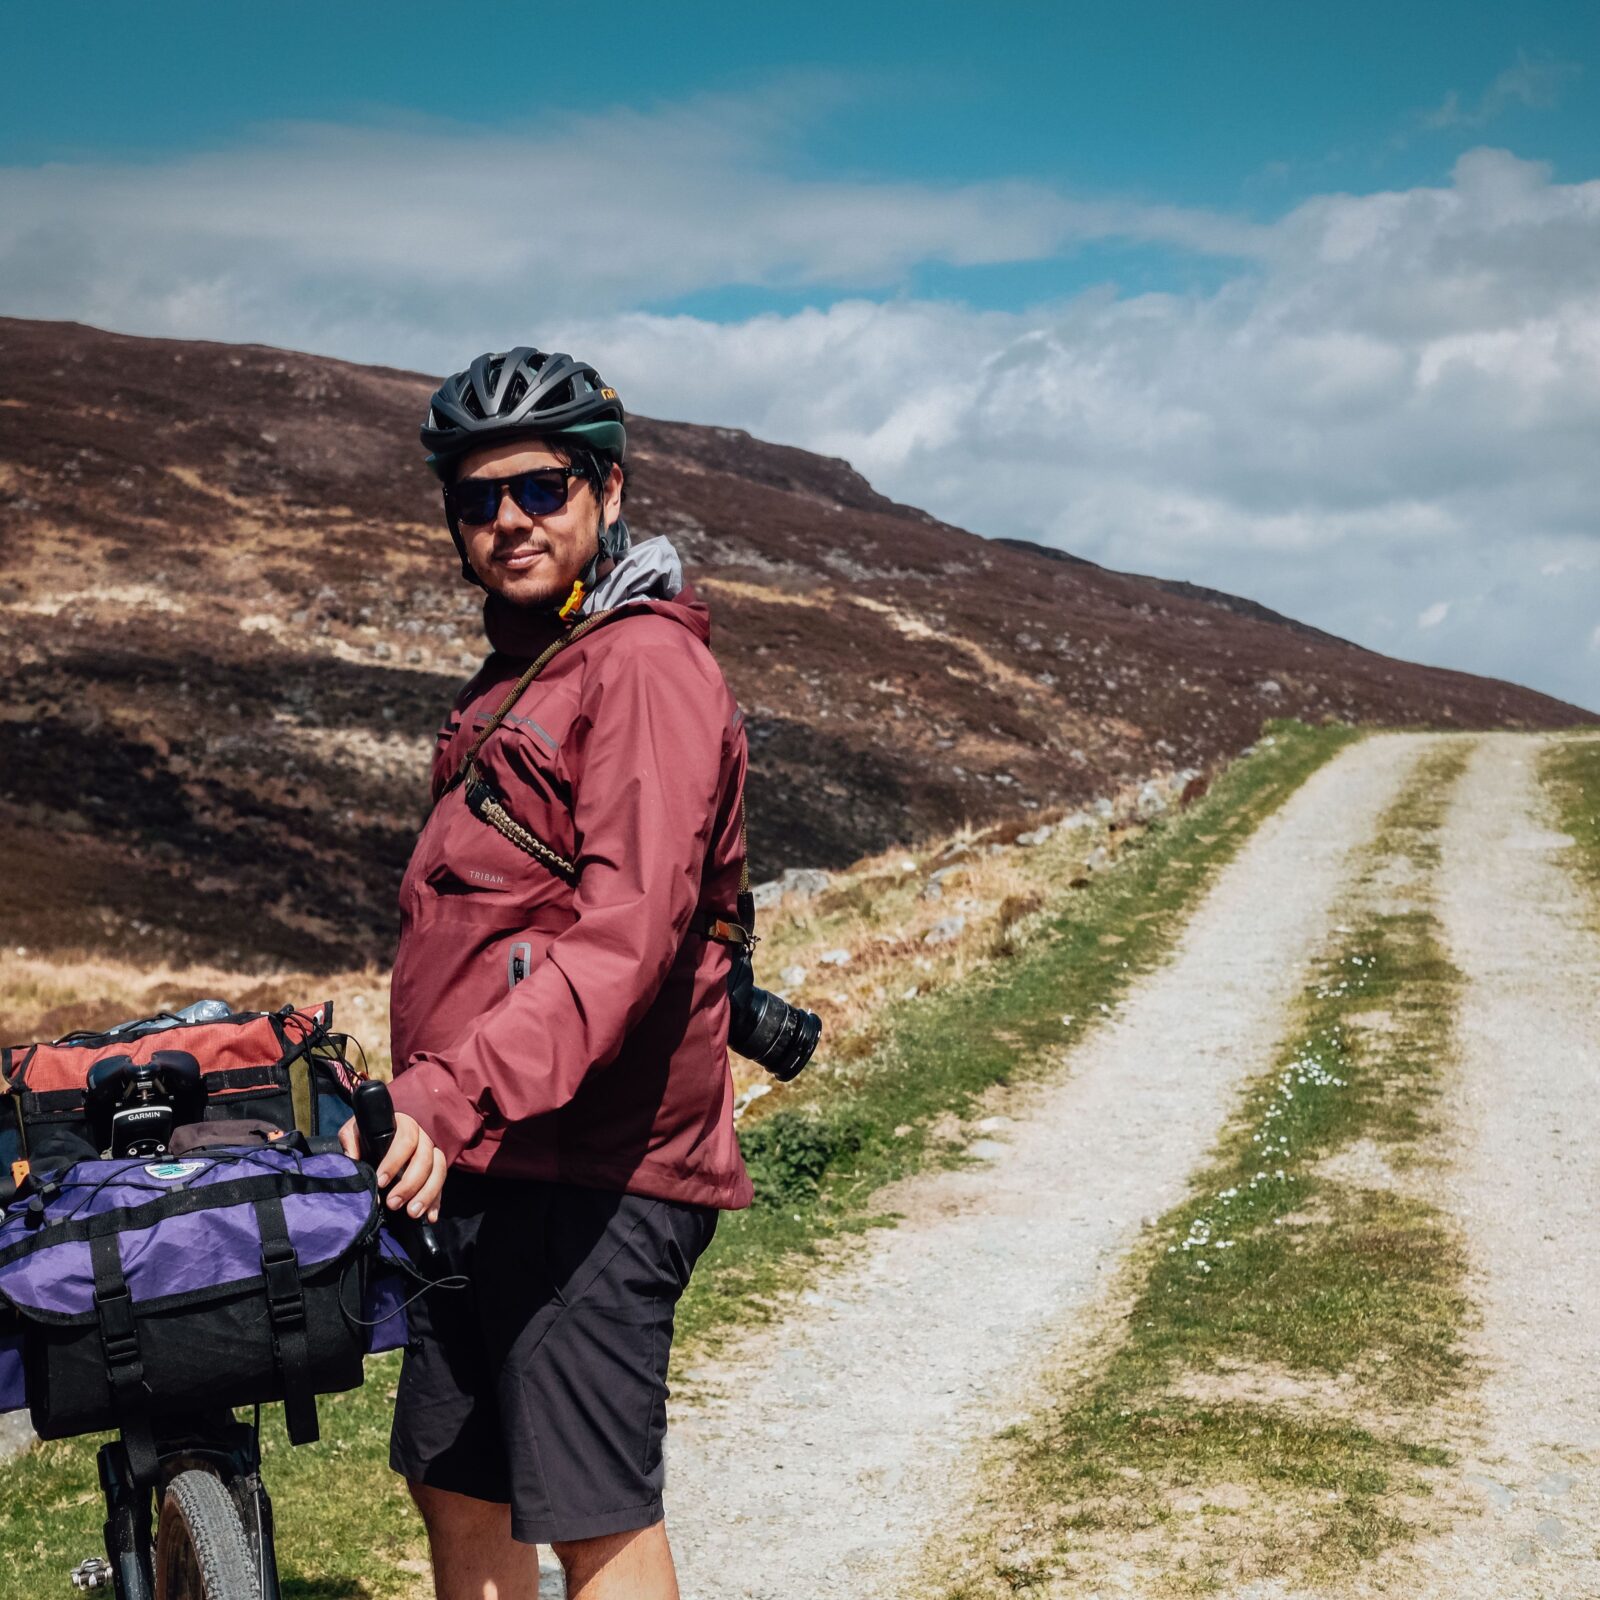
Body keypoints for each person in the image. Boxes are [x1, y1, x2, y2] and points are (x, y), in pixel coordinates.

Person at [342, 347, 754, 1600]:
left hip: (596, 1163)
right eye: (477, 500)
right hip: (486, 1149)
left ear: (607, 490)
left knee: (589, 1511)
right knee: (457, 1477)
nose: (508, 520)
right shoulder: (532, 664)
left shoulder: (641, 666)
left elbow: (625, 935)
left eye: (541, 488)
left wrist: (457, 1090)